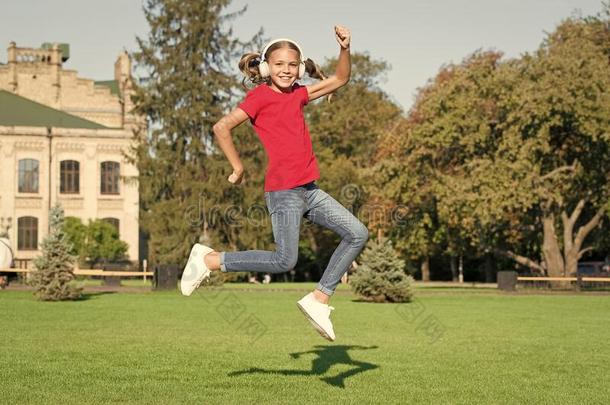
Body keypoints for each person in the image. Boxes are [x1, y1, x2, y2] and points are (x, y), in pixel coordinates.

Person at [181, 25, 369, 341]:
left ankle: (320, 298)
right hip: (284, 193)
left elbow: (340, 79)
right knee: (285, 260)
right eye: (279, 64)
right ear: (268, 67)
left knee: (357, 233)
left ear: (298, 69)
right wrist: (237, 166)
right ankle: (210, 259)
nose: (286, 70)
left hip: (310, 190)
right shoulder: (258, 98)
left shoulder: (299, 94)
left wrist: (345, 49)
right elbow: (222, 127)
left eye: (292, 65)